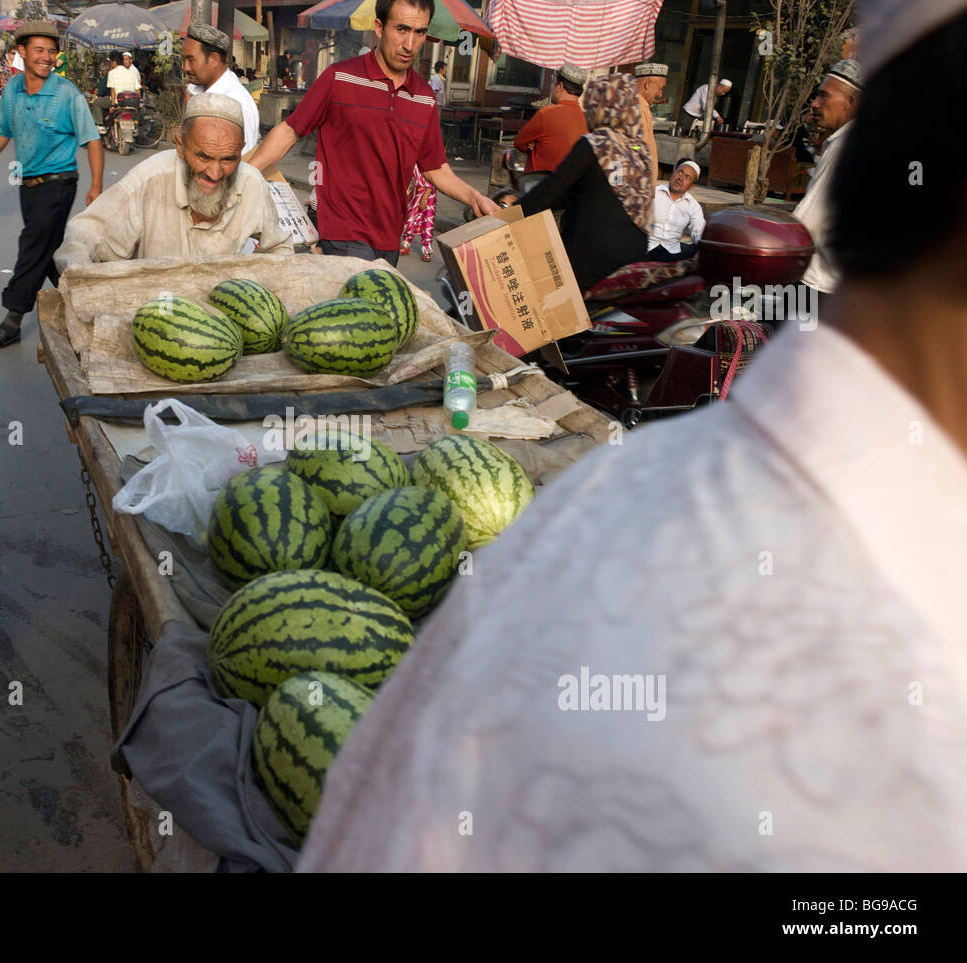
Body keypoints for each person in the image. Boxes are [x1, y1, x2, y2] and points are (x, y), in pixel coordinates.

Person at [298, 0, 967, 874]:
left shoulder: (571, 532)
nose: (644, 102)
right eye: (641, 92)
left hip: (583, 286)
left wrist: (501, 214)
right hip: (580, 281)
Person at [248, 0, 497, 266]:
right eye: (401, 29)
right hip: (342, 230)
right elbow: (289, 131)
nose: (409, 44)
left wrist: (475, 198)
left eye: (419, 32)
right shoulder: (340, 77)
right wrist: (245, 177)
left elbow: (435, 168)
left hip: (390, 234)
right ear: (379, 27)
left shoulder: (424, 97)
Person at [0, 21, 102, 349]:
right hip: (28, 184)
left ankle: (13, 319)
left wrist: (96, 185)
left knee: (32, 244)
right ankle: (85, 308)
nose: (46, 57)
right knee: (46, 250)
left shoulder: (66, 94)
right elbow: (0, 133)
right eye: (39, 50)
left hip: (60, 183)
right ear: (22, 53)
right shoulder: (14, 91)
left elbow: (92, 140)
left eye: (51, 51)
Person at [56, 93, 292, 268]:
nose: (215, 173)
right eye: (203, 157)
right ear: (181, 147)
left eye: (229, 159)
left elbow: (279, 248)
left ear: (241, 151)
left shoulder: (251, 184)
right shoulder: (151, 178)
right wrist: (82, 275)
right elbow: (83, 235)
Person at [517, 73, 654, 291]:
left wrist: (508, 216)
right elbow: (590, 193)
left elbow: (551, 190)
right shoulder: (641, 152)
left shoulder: (595, 145)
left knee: (541, 296)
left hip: (590, 258)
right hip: (633, 258)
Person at [793, 58, 862, 304]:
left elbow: (808, 220)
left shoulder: (845, 145)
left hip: (815, 283)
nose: (815, 103)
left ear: (850, 103)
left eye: (824, 96)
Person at [183, 22, 260, 153]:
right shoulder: (200, 87)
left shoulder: (236, 104)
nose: (185, 67)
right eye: (184, 60)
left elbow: (240, 162)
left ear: (214, 59)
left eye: (191, 60)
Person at [512, 62, 588, 175]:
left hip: (538, 185)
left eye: (553, 83)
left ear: (560, 86)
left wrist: (535, 147)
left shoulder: (546, 113)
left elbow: (519, 143)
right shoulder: (587, 120)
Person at [646, 159, 705, 261]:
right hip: (648, 247)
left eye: (687, 177)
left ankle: (736, 277)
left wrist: (703, 249)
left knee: (701, 250)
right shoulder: (653, 193)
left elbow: (699, 231)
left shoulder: (693, 205)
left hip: (672, 251)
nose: (680, 178)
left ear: (691, 186)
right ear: (673, 174)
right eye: (680, 172)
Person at [633, 62, 668, 187]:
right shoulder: (637, 108)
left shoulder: (642, 107)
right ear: (647, 85)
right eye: (660, 88)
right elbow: (632, 147)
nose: (660, 94)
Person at [398, 165, 436, 262]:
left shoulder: (427, 157)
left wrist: (426, 196)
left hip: (429, 193)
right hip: (415, 192)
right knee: (410, 219)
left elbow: (433, 178)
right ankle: (406, 245)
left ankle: (426, 251)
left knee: (427, 221)